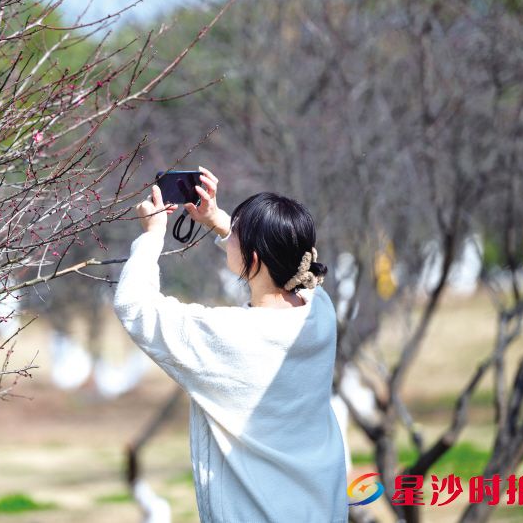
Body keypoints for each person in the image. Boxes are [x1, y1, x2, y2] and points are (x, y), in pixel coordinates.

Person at [112, 166, 349, 522]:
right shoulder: (320, 315)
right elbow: (293, 275)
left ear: (253, 258)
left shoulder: (230, 336)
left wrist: (152, 234)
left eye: (236, 233)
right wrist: (218, 220)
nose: (230, 235)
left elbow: (134, 306)